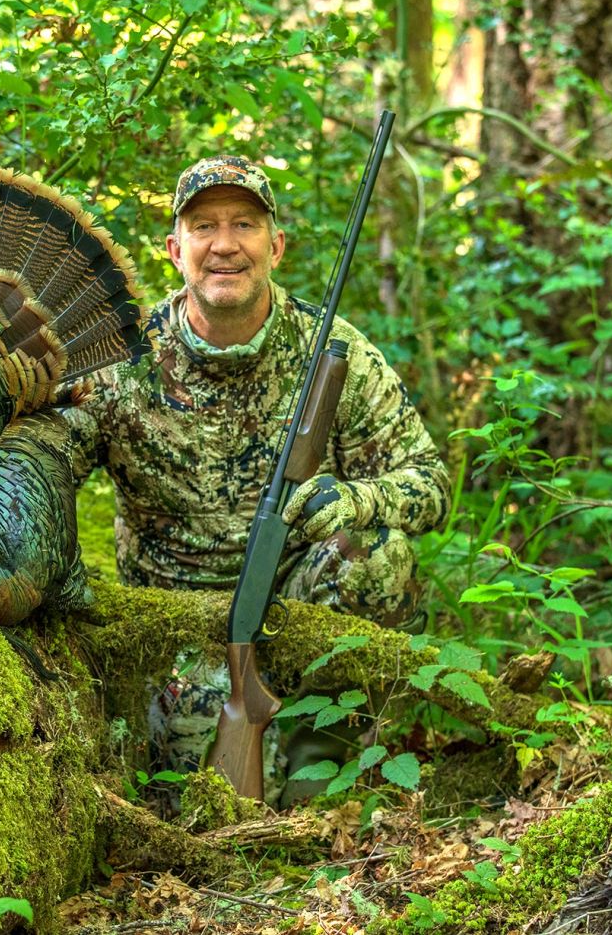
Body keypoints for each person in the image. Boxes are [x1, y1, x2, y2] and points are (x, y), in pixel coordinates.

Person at [64, 155, 451, 801]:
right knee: (193, 803)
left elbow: (431, 484)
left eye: (244, 224)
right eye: (204, 226)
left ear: (275, 246)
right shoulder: (123, 355)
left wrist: (355, 499)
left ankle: (321, 764)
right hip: (172, 627)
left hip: (297, 608)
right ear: (175, 249)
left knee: (378, 555)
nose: (225, 244)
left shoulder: (333, 350)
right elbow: (43, 469)